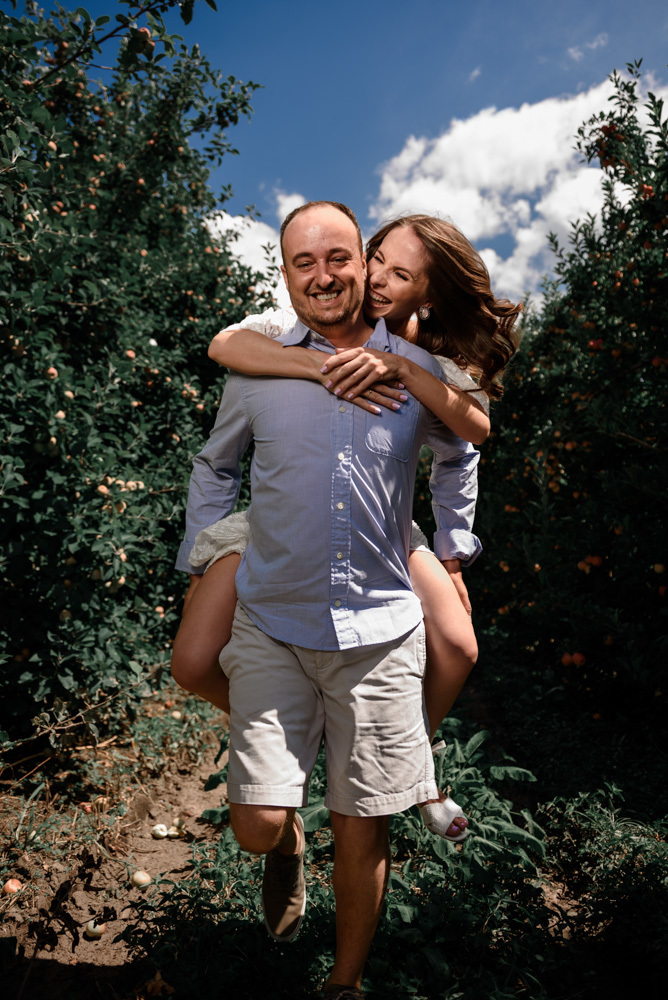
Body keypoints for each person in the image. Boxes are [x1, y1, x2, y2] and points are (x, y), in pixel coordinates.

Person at [175, 201, 502, 998]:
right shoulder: (258, 360)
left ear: (361, 262)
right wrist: (202, 550)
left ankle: (344, 984)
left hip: (380, 621)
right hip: (277, 610)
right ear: (285, 273)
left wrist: (454, 549)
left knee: (365, 826)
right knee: (252, 824)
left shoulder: (415, 367)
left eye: (341, 260)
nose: (324, 276)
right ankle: (286, 840)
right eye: (301, 262)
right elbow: (216, 464)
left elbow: (467, 442)